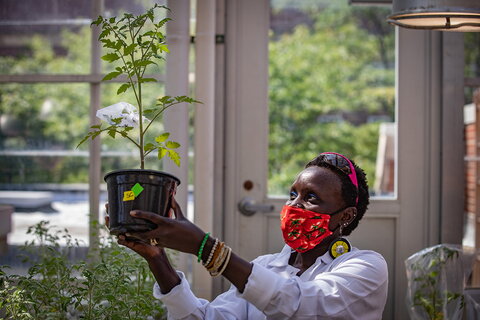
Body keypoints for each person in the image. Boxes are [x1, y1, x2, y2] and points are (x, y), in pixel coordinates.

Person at [113, 152, 388, 319]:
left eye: (311, 197)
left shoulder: (365, 267)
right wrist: (157, 258)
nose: (293, 205)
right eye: (293, 194)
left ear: (346, 215)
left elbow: (301, 307)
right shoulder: (266, 267)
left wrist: (205, 247)